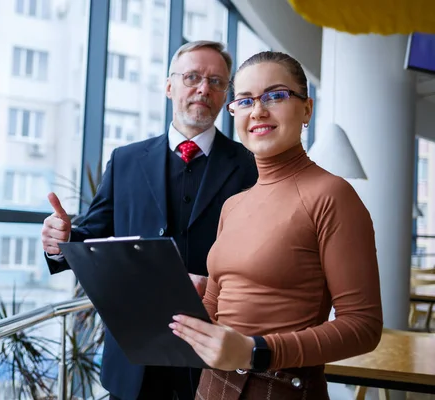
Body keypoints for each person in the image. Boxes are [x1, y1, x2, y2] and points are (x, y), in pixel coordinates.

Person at [41, 40, 258, 400]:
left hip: (212, 352)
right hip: (133, 354)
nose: (204, 88)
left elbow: (259, 259)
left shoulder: (249, 166)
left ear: (226, 97)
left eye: (217, 82)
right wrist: (60, 243)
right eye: (192, 77)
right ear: (169, 86)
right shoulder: (125, 160)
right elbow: (92, 237)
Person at [169, 50, 383, 400]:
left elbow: (363, 327)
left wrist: (257, 351)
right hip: (211, 388)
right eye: (245, 100)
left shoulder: (332, 196)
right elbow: (218, 309)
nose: (258, 111)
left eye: (276, 96)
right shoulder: (233, 205)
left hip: (281, 389)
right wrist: (185, 298)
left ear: (307, 110)